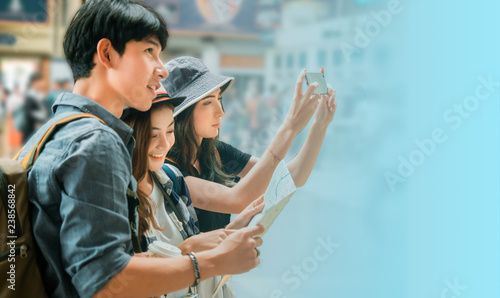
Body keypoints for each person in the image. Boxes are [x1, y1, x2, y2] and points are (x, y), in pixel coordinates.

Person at [15, 1, 263, 297]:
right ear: (106, 53)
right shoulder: (96, 142)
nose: (161, 70)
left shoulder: (53, 131)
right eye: (149, 52)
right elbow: (106, 281)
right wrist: (212, 262)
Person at [163, 56, 338, 232]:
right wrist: (289, 127)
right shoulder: (168, 170)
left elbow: (294, 176)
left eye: (219, 99)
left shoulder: (215, 152)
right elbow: (237, 200)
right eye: (207, 102)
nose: (220, 112)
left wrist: (320, 125)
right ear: (181, 114)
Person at [121, 85, 265, 297]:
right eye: (153, 136)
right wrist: (188, 249)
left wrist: (231, 230)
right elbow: (128, 282)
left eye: (170, 131)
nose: (165, 144)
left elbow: (196, 240)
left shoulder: (171, 177)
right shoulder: (118, 197)